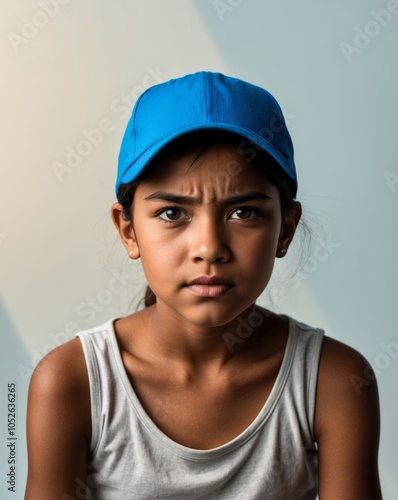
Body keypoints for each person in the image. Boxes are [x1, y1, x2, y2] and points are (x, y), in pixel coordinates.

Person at [25, 72, 382, 500]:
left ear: (286, 229)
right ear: (128, 230)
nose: (209, 248)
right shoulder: (71, 382)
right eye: (173, 213)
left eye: (244, 213)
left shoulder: (334, 382)